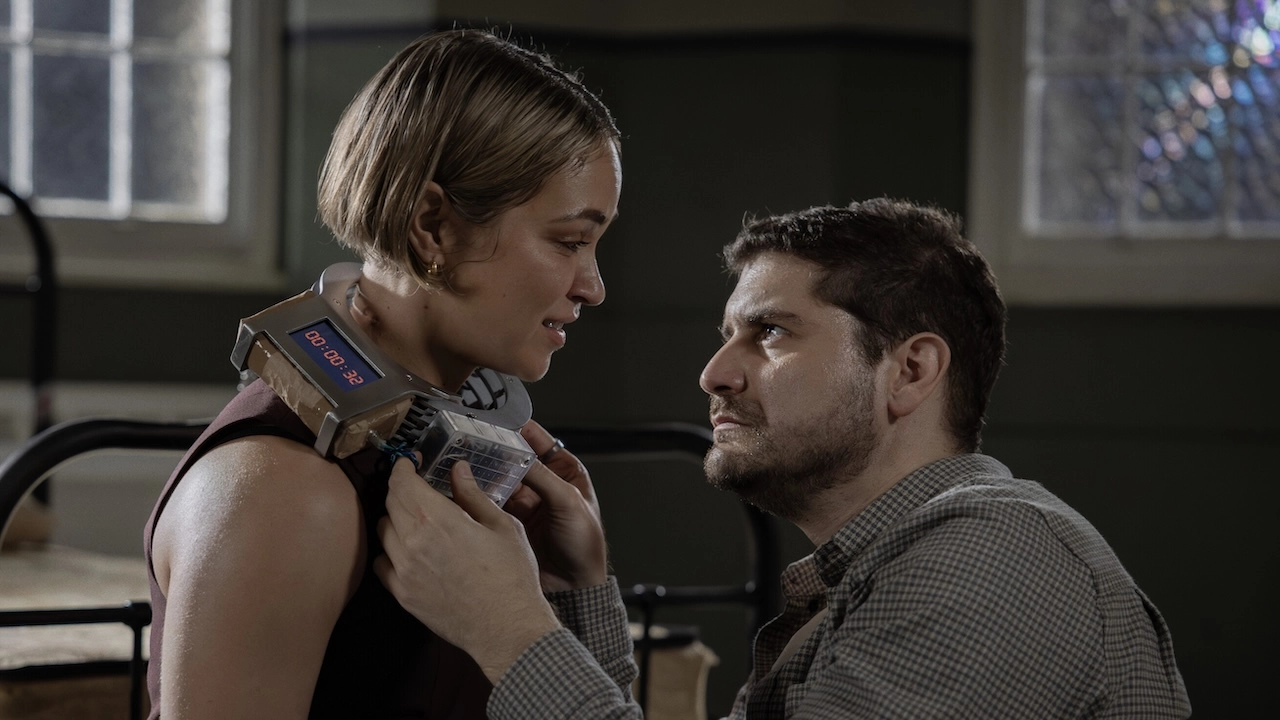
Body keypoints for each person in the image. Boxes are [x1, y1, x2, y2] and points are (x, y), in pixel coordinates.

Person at [374, 197, 1193, 718]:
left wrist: (511, 634)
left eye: (769, 332)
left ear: (910, 371)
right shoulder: (873, 577)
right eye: (726, 334)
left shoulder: (996, 559)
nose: (714, 374)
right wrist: (577, 589)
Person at [142, 29, 622, 719]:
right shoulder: (287, 495)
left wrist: (579, 588)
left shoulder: (466, 465)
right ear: (432, 225)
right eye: (570, 241)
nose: (593, 287)